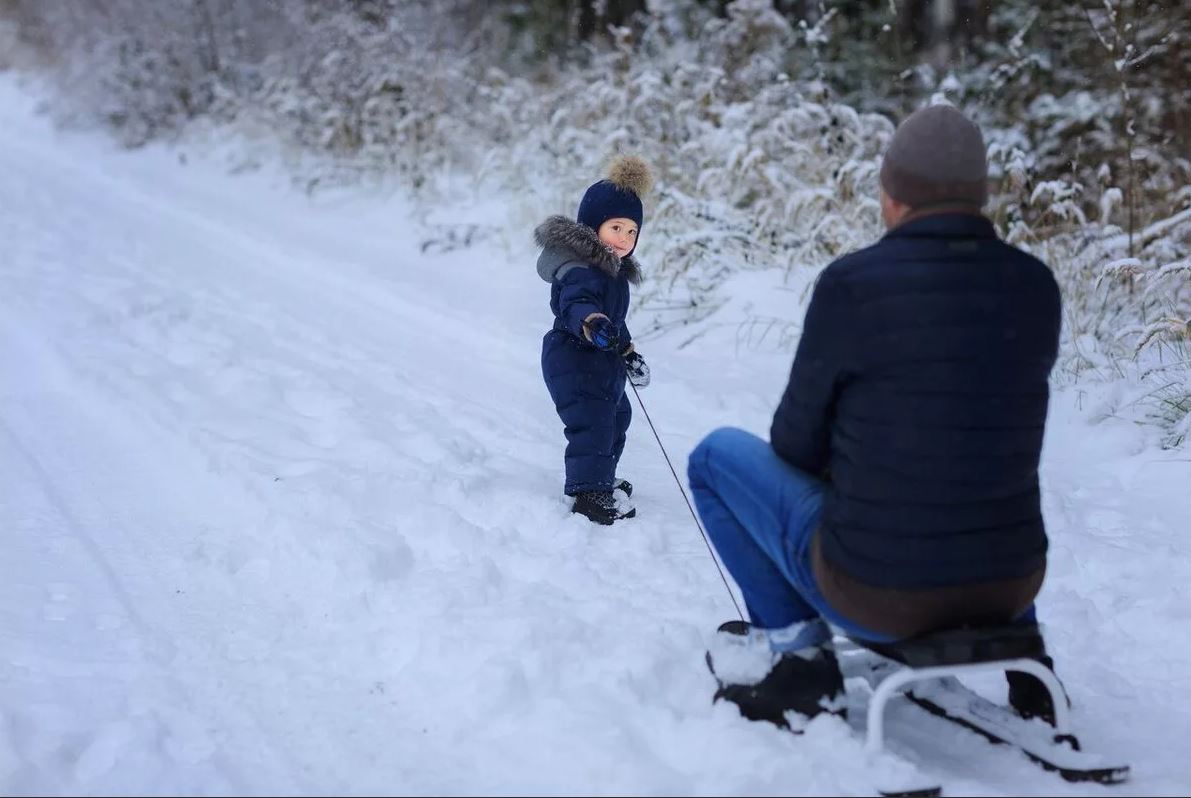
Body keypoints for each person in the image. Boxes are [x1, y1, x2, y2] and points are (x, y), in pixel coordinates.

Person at [689, 105, 1064, 729]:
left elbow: (794, 443)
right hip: (1012, 586)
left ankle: (798, 660)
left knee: (712, 457)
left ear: (891, 195)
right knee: (978, 462)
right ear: (981, 196)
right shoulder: (1035, 286)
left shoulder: (854, 284)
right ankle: (1033, 669)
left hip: (880, 597)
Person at [537, 156, 654, 525]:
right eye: (615, 227)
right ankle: (588, 493)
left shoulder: (614, 274)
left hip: (602, 360)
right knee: (593, 422)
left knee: (618, 416)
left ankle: (602, 476)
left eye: (632, 232)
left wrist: (628, 352)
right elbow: (577, 306)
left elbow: (616, 322)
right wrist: (592, 323)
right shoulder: (581, 270)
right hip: (573, 358)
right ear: (592, 227)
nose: (624, 238)